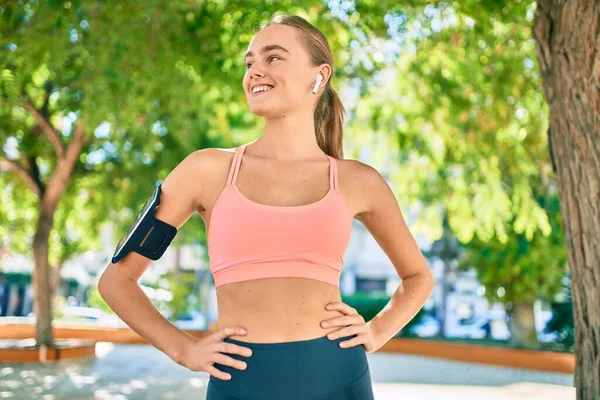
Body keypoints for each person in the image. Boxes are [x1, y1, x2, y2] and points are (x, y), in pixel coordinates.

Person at [100, 12, 434, 400]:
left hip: (338, 376)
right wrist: (183, 348)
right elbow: (116, 281)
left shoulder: (359, 180)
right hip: (239, 382)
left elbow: (418, 278)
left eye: (273, 58)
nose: (255, 71)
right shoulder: (205, 170)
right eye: (249, 62)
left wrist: (376, 331)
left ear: (319, 76)